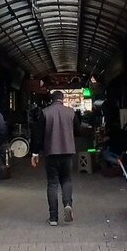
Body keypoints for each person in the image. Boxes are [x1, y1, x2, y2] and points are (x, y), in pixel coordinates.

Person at [30, 90, 77, 226]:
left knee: (52, 184)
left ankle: (53, 218)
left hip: (50, 153)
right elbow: (78, 130)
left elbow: (38, 135)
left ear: (52, 99)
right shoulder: (71, 112)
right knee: (67, 180)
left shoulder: (45, 112)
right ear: (62, 99)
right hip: (67, 152)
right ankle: (67, 204)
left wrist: (35, 153)